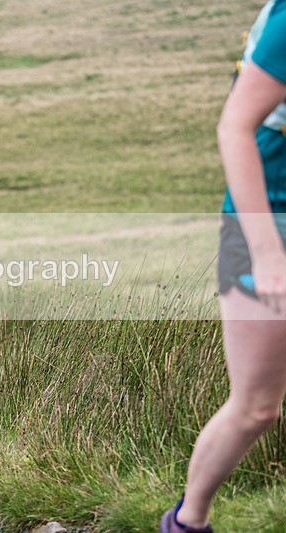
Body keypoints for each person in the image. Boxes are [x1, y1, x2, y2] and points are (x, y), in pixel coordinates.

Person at [161, 2, 286, 531]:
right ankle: (188, 521)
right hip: (266, 224)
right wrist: (268, 254)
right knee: (258, 407)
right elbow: (234, 127)